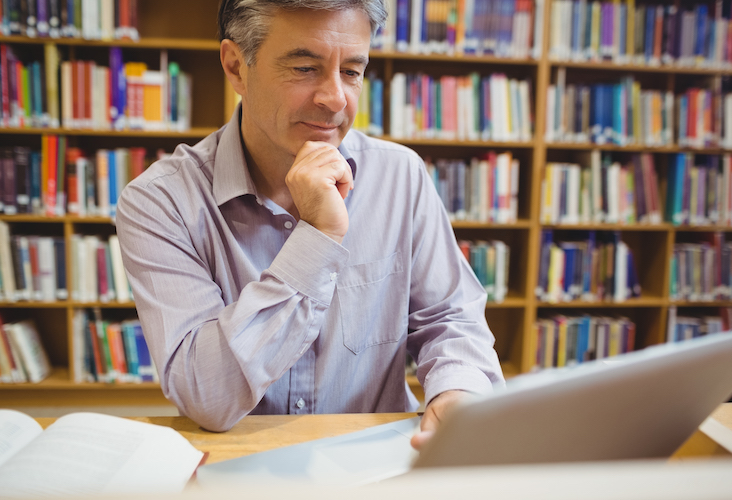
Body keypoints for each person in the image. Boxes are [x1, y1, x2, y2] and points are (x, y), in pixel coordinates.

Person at [115, 0, 504, 448]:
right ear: (236, 66)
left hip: (370, 461)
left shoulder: (401, 175)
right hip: (237, 465)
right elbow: (207, 396)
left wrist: (459, 390)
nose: (336, 99)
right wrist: (318, 238)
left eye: (353, 71)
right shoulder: (161, 201)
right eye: (304, 68)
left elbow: (451, 318)